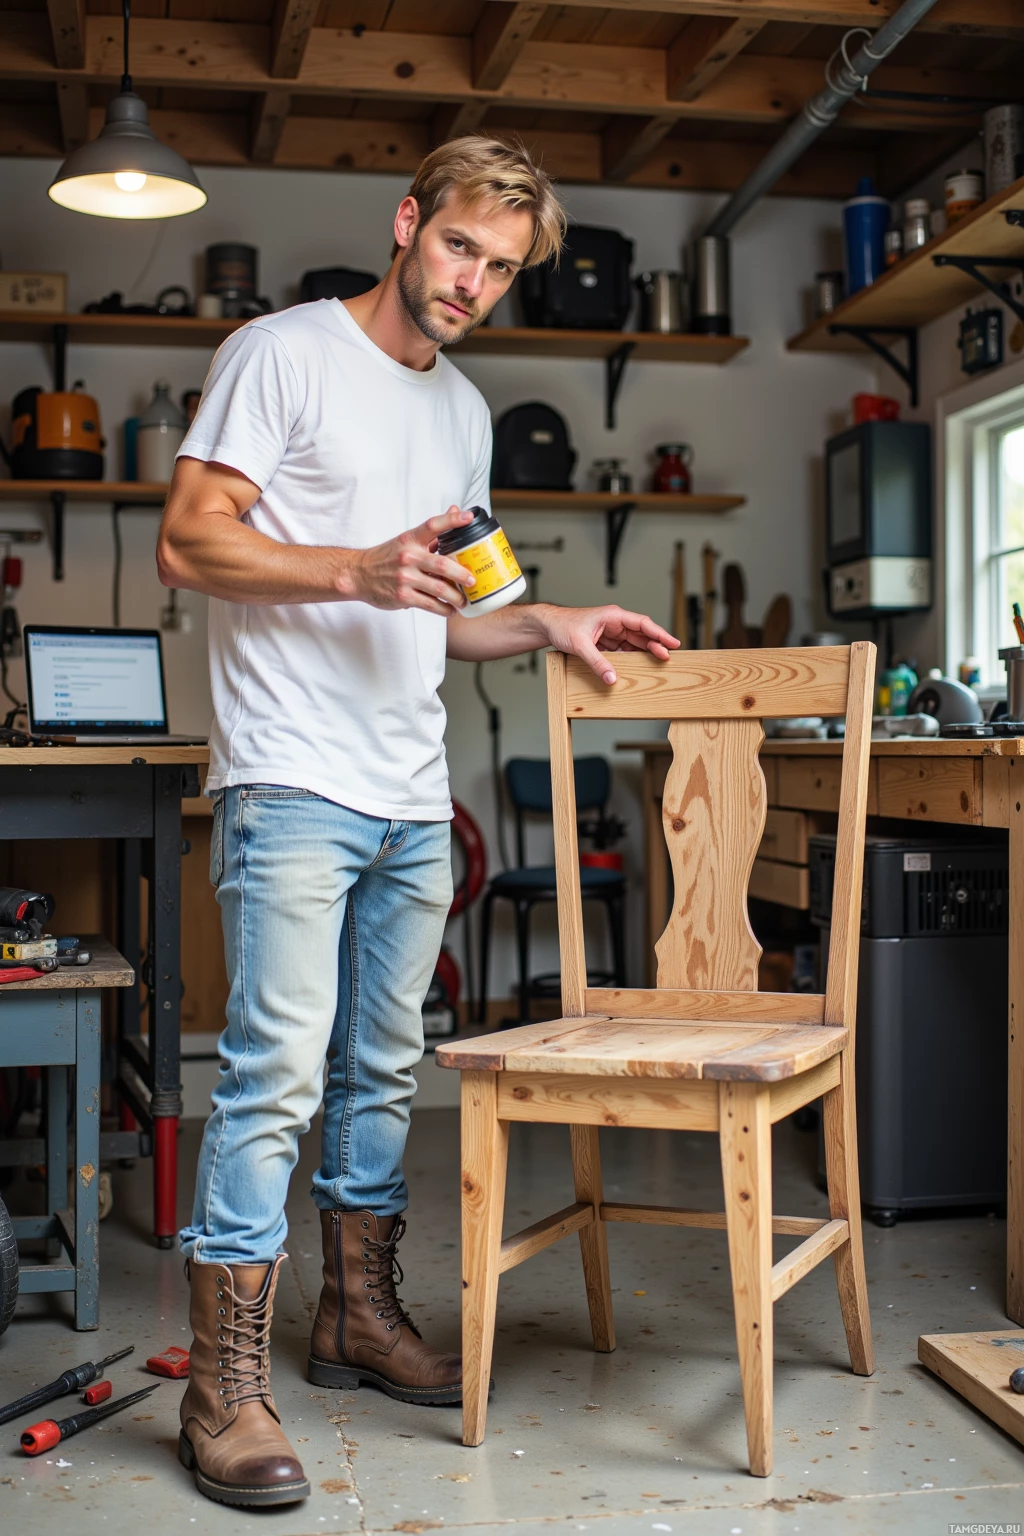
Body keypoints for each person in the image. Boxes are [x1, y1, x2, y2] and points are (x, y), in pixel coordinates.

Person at [156, 135, 678, 1510]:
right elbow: (191, 538)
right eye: (461, 248)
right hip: (291, 775)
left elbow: (459, 611)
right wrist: (354, 564)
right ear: (408, 222)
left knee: (384, 1075)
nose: (475, 284)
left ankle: (357, 1317)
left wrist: (552, 620)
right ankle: (224, 1386)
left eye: (503, 269)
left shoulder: (465, 413)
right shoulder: (282, 354)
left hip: (402, 788)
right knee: (274, 1075)